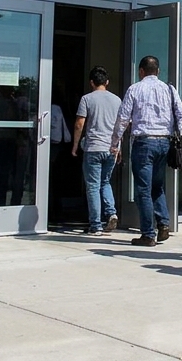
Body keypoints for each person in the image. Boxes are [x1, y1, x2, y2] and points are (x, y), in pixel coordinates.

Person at [113, 55, 182, 247]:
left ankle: (147, 233)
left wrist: (115, 142)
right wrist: (174, 129)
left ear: (141, 71)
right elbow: (181, 112)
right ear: (158, 71)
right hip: (164, 142)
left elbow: (123, 118)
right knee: (157, 185)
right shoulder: (169, 89)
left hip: (144, 142)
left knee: (143, 189)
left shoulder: (135, 89)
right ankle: (163, 223)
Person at [71, 66, 122, 236]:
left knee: (92, 186)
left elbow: (80, 124)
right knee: (105, 182)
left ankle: (96, 225)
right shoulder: (117, 100)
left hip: (93, 147)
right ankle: (111, 213)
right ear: (107, 82)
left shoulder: (87, 99)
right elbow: (121, 126)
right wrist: (118, 146)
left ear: (91, 82)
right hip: (111, 148)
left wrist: (75, 145)